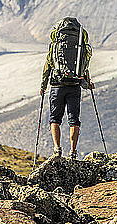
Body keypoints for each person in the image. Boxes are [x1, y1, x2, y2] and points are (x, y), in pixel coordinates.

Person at [40, 17, 94, 159]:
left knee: (55, 119)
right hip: (75, 86)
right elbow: (84, 65)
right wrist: (88, 82)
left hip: (57, 86)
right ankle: (73, 151)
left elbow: (48, 66)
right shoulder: (80, 45)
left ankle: (57, 149)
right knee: (74, 120)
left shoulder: (56, 45)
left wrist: (43, 85)